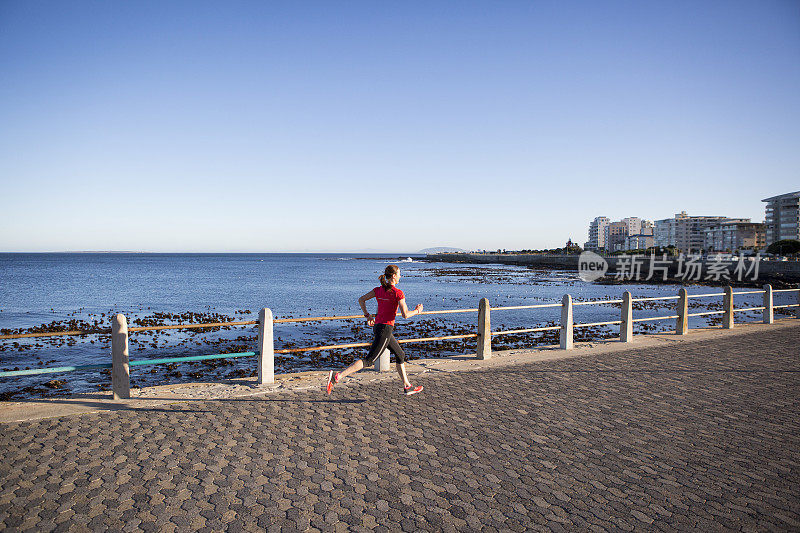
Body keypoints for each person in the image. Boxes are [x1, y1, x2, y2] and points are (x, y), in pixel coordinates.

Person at [326, 264, 424, 396]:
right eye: (399, 274)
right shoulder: (398, 293)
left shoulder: (378, 290)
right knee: (369, 361)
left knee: (400, 355)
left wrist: (367, 315)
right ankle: (337, 377)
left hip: (379, 327)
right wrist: (418, 311)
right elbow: (405, 314)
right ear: (394, 276)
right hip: (385, 329)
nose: (401, 276)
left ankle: (407, 386)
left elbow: (361, 300)